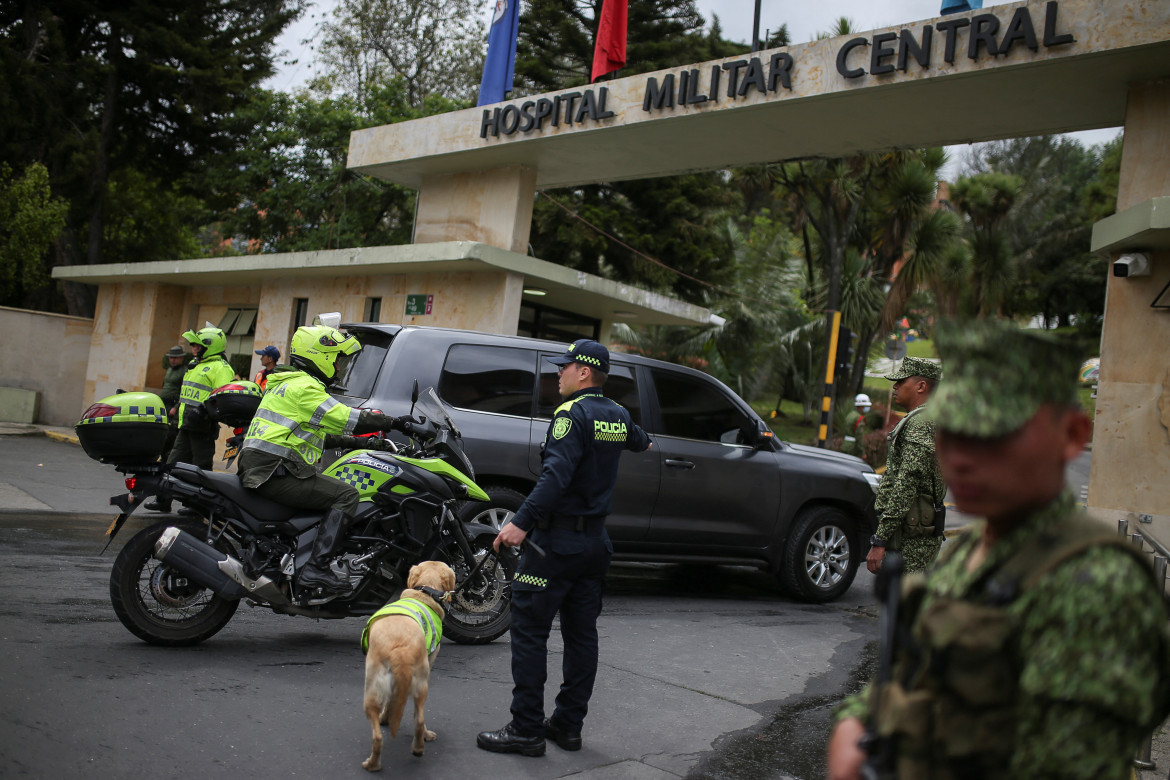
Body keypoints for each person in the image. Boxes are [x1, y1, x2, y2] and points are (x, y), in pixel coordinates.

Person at [827, 319, 1170, 780]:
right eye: (953, 430)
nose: (963, 455)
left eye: (993, 434)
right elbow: (916, 668)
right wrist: (855, 720)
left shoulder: (1096, 584)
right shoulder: (968, 555)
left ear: (1070, 436)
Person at [477, 338, 652, 757]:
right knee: (580, 636)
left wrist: (520, 522)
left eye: (566, 367)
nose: (559, 372)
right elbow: (642, 442)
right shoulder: (617, 414)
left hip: (556, 544)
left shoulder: (570, 415)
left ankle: (526, 730)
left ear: (585, 372)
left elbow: (554, 478)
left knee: (530, 631)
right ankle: (568, 727)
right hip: (594, 543)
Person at [236, 324, 407, 596]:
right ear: (321, 356)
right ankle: (316, 567)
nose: (340, 368)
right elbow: (347, 419)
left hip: (266, 467)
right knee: (347, 496)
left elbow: (320, 435)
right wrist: (397, 422)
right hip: (274, 470)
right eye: (339, 360)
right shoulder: (305, 387)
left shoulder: (287, 383)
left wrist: (365, 443)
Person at [145, 327, 235, 513]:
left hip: (203, 426)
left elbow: (222, 397)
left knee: (200, 468)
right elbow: (186, 394)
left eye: (197, 345)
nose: (194, 348)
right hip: (185, 424)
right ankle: (163, 500)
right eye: (193, 344)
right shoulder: (196, 364)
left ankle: (200, 506)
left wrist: (204, 411)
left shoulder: (221, 368)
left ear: (210, 346)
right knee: (173, 462)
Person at [867, 356, 944, 574]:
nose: (895, 386)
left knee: (903, 602)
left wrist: (880, 539)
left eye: (902, 381)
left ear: (921, 386)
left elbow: (906, 483)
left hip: (911, 540)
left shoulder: (920, 423)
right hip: (913, 534)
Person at [158, 345, 188, 459]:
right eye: (171, 358)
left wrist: (176, 406)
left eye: (175, 358)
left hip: (173, 406)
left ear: (181, 358)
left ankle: (167, 458)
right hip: (164, 404)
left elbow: (184, 392)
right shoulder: (169, 370)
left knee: (171, 434)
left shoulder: (184, 371)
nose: (173, 360)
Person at [842, 393, 872, 458]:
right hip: (853, 448)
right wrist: (862, 453)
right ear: (861, 406)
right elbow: (859, 437)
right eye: (866, 406)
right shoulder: (859, 418)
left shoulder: (851, 414)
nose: (868, 408)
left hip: (845, 445)